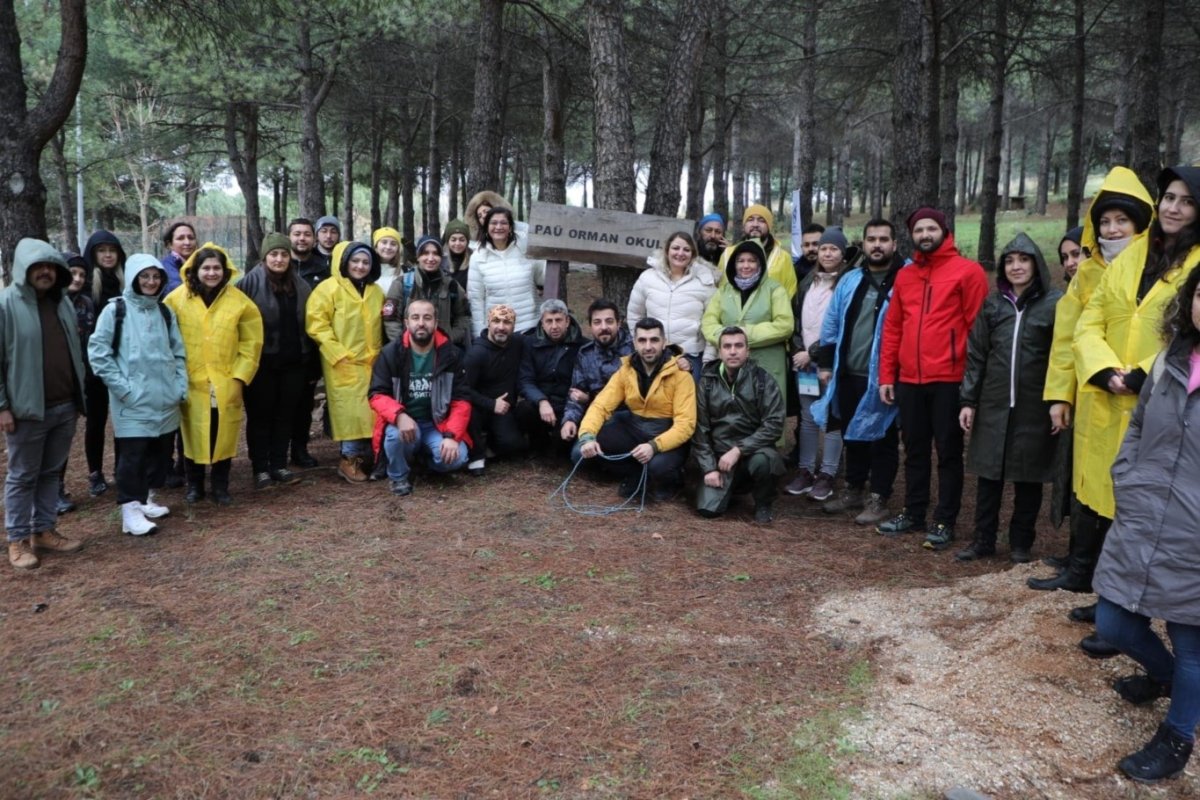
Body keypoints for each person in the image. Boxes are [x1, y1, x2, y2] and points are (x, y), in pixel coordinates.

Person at [1039, 167, 1200, 657]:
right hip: (1106, 395)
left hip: (1167, 402)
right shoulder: (1134, 255)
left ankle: (1131, 618)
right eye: (1168, 198)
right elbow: (1086, 321)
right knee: (1108, 498)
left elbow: (1188, 329)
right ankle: (1114, 602)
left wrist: (1143, 373)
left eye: (1185, 201)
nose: (1173, 208)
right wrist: (1104, 368)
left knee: (1147, 508)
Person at [1091, 265, 1200, 784]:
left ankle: (1178, 735)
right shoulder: (1169, 360)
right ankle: (1163, 678)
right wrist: (1127, 477)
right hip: (1143, 514)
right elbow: (1137, 426)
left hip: (1195, 535)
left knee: (1194, 647)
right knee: (1113, 622)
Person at [1032, 166, 1155, 602]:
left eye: (1122, 220)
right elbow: (1068, 336)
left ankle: (1112, 584)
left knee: (1124, 490)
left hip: (1141, 396)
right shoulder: (1088, 273)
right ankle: (1080, 567)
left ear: (1142, 222)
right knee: (1085, 482)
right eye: (1104, 221)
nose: (1112, 228)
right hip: (1092, 395)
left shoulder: (1158, 267)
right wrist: (1059, 396)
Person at [877, 207, 989, 551]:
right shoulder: (906, 276)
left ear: (943, 230)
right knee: (914, 449)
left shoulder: (968, 273)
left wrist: (972, 385)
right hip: (910, 379)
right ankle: (913, 511)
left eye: (930, 229)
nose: (924, 235)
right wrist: (887, 375)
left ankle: (944, 519)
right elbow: (894, 327)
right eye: (918, 230)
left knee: (949, 452)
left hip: (949, 378)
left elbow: (978, 331)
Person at [956, 234, 1062, 563]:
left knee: (1028, 477)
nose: (1017, 267)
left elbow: (1063, 355)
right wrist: (968, 400)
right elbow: (978, 355)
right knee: (989, 475)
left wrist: (1059, 399)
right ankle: (983, 539)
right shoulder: (993, 304)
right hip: (994, 403)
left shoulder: (1054, 303)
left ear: (1036, 264)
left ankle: (1020, 543)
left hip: (1034, 406)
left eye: (1024, 259)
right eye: (1010, 261)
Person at [1, 240, 87, 569]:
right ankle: (18, 539)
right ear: (24, 269)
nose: (46, 272)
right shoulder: (6, 304)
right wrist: (2, 406)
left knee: (51, 473)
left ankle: (44, 530)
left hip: (64, 405)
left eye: (51, 267)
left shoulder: (61, 302)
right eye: (38, 267)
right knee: (23, 476)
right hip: (26, 409)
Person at [88, 254, 188, 537]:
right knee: (132, 456)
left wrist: (179, 387)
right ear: (133, 277)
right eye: (145, 276)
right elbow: (99, 353)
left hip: (165, 398)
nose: (151, 282)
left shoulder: (165, 312)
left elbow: (178, 353)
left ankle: (145, 500)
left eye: (156, 277)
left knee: (160, 454)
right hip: (131, 401)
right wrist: (123, 389)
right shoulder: (115, 310)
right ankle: (129, 511)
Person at [811, 219, 903, 525]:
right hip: (848, 373)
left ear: (894, 244)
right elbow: (832, 322)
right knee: (853, 434)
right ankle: (853, 489)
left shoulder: (906, 278)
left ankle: (879, 498)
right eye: (871, 239)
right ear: (863, 245)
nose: (877, 245)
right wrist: (825, 364)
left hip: (885, 378)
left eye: (883, 239)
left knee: (883, 438)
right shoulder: (851, 280)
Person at [165, 244, 264, 506]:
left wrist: (239, 376)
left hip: (224, 379)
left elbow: (251, 342)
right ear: (195, 270)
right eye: (206, 267)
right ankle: (194, 485)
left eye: (216, 268)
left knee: (223, 432)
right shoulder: (176, 300)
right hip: (190, 380)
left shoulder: (240, 302)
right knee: (189, 434)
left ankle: (221, 485)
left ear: (225, 270)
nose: (211, 273)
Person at [576, 318, 696, 502]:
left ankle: (672, 479)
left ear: (664, 342)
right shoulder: (626, 371)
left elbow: (685, 425)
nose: (648, 346)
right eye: (642, 340)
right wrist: (587, 436)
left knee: (657, 466)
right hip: (635, 428)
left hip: (667, 435)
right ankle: (637, 474)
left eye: (654, 340)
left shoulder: (681, 376)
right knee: (594, 448)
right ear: (635, 343)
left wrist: (654, 446)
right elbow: (600, 405)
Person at [368, 299, 471, 496]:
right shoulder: (391, 353)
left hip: (438, 424)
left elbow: (462, 401)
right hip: (406, 424)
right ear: (407, 322)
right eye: (415, 317)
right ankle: (399, 477)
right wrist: (399, 415)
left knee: (457, 458)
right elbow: (377, 394)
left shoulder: (451, 355)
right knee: (394, 436)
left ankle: (426, 461)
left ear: (435, 322)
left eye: (427, 318)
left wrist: (451, 436)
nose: (421, 323)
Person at [238, 232, 314, 490]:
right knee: (260, 416)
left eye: (283, 254)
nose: (279, 259)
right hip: (261, 364)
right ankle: (260, 468)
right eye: (274, 254)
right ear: (264, 257)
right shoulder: (248, 283)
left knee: (285, 415)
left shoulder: (300, 285)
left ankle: (279, 464)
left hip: (294, 362)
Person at [306, 240, 385, 483]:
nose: (360, 266)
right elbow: (316, 325)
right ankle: (348, 458)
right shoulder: (328, 289)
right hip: (343, 363)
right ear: (344, 262)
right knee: (350, 412)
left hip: (372, 361)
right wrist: (337, 353)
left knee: (371, 410)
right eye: (355, 261)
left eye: (365, 262)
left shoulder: (375, 291)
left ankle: (368, 456)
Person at [693, 326, 786, 523]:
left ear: (747, 351)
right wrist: (709, 468)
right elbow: (700, 429)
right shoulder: (707, 382)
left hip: (752, 452)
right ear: (720, 351)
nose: (733, 351)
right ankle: (729, 488)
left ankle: (763, 502)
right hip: (720, 457)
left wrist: (739, 450)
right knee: (708, 510)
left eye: (738, 346)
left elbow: (774, 425)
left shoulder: (763, 381)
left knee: (764, 461)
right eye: (727, 346)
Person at [785, 226, 847, 501]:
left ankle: (828, 473)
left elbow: (841, 327)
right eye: (824, 248)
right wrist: (799, 349)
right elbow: (797, 320)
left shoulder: (847, 282)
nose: (827, 253)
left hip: (831, 364)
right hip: (806, 365)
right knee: (808, 418)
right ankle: (806, 469)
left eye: (833, 248)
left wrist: (813, 352)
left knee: (832, 419)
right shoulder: (808, 281)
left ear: (843, 253)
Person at [702, 239, 794, 399]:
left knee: (768, 411)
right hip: (731, 363)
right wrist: (726, 337)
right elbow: (708, 322)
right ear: (733, 264)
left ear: (760, 264)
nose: (746, 266)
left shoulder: (775, 289)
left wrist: (745, 334)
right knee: (734, 413)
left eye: (752, 261)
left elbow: (785, 325)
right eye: (740, 261)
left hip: (768, 364)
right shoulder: (724, 291)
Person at [627, 232, 718, 377]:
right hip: (654, 355)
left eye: (686, 250)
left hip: (691, 357)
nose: (680, 253)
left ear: (693, 254)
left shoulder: (705, 282)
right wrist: (642, 345)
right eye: (676, 248)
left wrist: (708, 361)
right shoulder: (647, 278)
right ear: (667, 250)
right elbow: (634, 315)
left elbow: (713, 324)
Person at [80, 230, 126, 497]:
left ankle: (122, 469)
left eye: (112, 250)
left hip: (123, 363)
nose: (108, 255)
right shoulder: (85, 285)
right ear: (93, 254)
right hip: (93, 365)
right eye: (101, 250)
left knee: (123, 420)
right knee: (96, 421)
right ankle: (95, 473)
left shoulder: (126, 283)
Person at [561, 299, 633, 453]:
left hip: (631, 417)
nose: (604, 327)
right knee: (577, 454)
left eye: (609, 321)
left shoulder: (635, 348)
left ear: (619, 323)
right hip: (598, 416)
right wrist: (569, 420)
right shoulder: (585, 354)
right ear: (590, 326)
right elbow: (576, 394)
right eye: (597, 322)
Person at [463, 304, 527, 476]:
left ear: (513, 327)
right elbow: (463, 389)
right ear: (488, 323)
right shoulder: (476, 354)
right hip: (479, 406)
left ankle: (491, 444)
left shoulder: (517, 343)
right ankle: (476, 455)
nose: (501, 327)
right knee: (469, 411)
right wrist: (491, 404)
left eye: (507, 322)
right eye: (496, 321)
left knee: (514, 446)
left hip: (504, 410)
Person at [517, 298, 584, 450]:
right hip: (541, 401)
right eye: (549, 321)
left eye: (558, 320)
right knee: (523, 410)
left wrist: (570, 414)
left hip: (567, 404)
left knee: (561, 446)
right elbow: (525, 380)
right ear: (542, 322)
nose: (554, 326)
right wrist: (541, 401)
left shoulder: (582, 346)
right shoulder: (530, 343)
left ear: (567, 321)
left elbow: (581, 384)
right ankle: (538, 441)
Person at [382, 235, 472, 348]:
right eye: (425, 253)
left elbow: (463, 316)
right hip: (408, 352)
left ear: (441, 257)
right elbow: (391, 319)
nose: (431, 258)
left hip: (443, 353)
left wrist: (450, 338)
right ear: (418, 257)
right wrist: (404, 345)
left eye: (435, 253)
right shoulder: (402, 284)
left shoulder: (452, 286)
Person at [468, 207, 546, 335]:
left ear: (510, 227)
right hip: (498, 329)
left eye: (503, 223)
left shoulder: (524, 249)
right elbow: (476, 300)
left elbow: (542, 278)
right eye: (493, 223)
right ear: (487, 227)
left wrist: (548, 257)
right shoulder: (478, 257)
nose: (498, 227)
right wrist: (479, 333)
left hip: (529, 326)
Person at [57, 253, 94, 513]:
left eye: (82, 274)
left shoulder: (86, 304)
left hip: (79, 379)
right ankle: (51, 490)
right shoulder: (49, 302)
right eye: (73, 273)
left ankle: (56, 488)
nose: (78, 279)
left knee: (64, 437)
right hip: (54, 380)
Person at [716, 204, 798, 298]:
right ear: (744, 225)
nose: (755, 224)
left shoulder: (784, 258)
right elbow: (720, 290)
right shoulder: (727, 254)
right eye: (750, 220)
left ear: (769, 226)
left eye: (761, 220)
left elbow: (790, 291)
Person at [290, 217, 328, 290]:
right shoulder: (279, 266)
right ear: (288, 238)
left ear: (314, 239)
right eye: (297, 234)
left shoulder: (324, 269)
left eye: (307, 235)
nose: (302, 238)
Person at [159, 220, 197, 295]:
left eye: (191, 238)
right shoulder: (166, 266)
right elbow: (180, 292)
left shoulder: (198, 263)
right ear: (169, 244)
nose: (187, 242)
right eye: (180, 238)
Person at [372, 226, 407, 295]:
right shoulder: (366, 270)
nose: (388, 247)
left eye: (393, 244)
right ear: (376, 247)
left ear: (398, 249)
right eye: (384, 242)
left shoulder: (405, 271)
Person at [442, 219, 472, 291]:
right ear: (448, 241)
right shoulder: (440, 261)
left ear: (467, 242)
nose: (457, 243)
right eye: (453, 240)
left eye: (462, 240)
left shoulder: (474, 260)